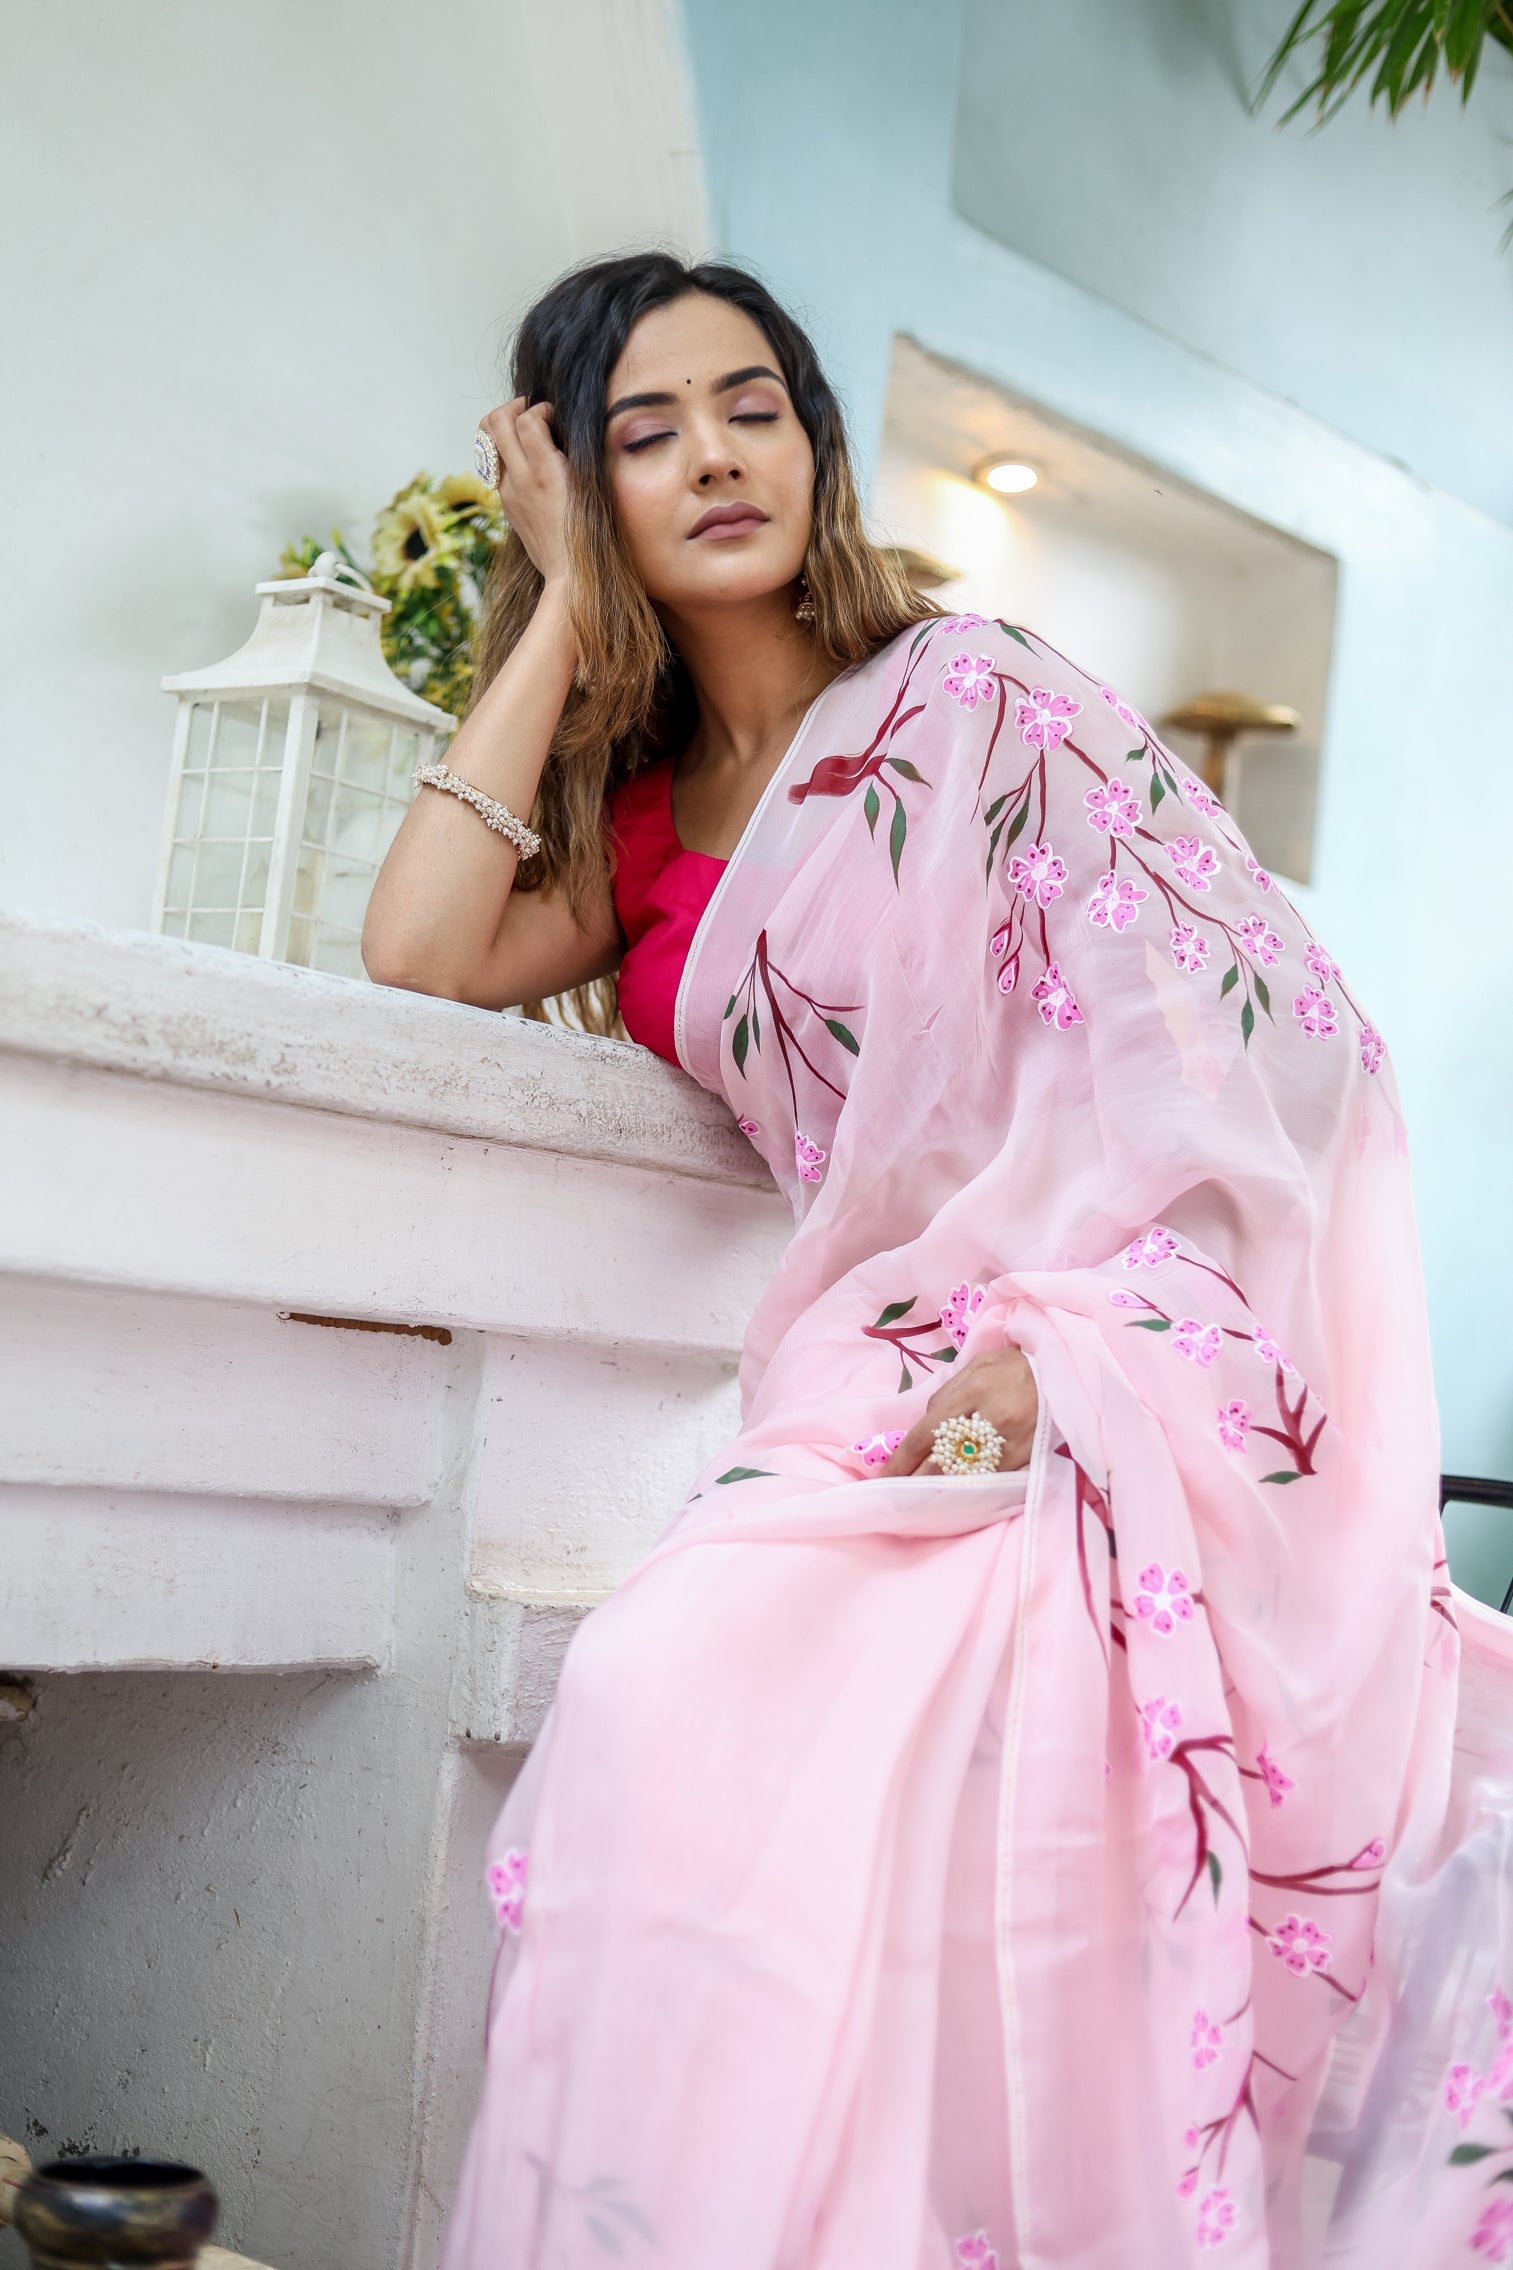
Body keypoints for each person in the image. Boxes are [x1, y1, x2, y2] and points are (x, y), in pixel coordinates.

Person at [363, 255, 1505, 2269]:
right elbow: (420, 948)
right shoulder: (641, 829)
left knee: (790, 1686)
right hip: (847, 1397)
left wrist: (1079, 1354)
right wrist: (552, 609)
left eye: (750, 404)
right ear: (579, 484)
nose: (716, 455)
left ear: (814, 434)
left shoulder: (991, 705)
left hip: (1076, 1385)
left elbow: (1278, 1068)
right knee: (662, 1680)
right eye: (643, 432)